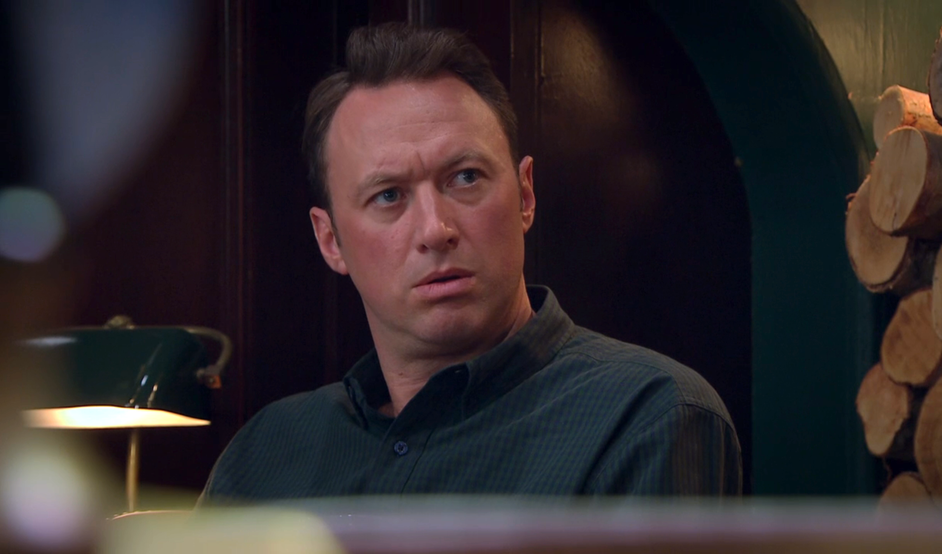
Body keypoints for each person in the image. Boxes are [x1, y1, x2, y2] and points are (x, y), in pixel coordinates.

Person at [200, 23, 741, 504]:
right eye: (388, 195)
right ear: (330, 240)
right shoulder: (265, 453)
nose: (436, 230)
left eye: (465, 178)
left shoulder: (645, 415)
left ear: (525, 195)